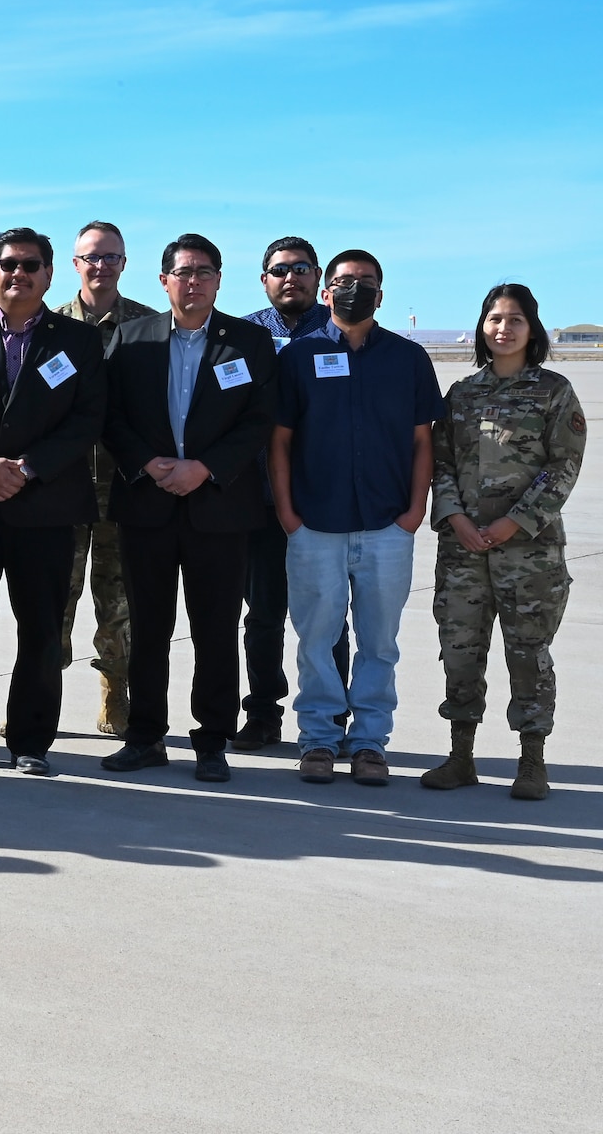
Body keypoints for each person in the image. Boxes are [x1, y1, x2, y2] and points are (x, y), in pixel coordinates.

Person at [97, 234, 278, 784]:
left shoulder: (248, 342)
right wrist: (148, 463)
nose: (193, 280)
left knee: (215, 628)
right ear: (163, 281)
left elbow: (258, 418)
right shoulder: (130, 340)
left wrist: (205, 467)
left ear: (219, 280)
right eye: (183, 271)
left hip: (218, 507)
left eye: (204, 271)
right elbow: (109, 414)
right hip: (146, 504)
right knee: (149, 627)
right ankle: (146, 736)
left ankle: (212, 740)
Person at [0, 228, 106, 776]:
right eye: (8, 264)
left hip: (45, 509)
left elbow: (88, 420)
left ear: (50, 275)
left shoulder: (79, 342)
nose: (19, 273)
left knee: (41, 630)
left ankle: (30, 740)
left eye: (31, 265)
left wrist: (26, 469)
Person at [270, 249, 442, 785]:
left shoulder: (407, 359)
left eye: (365, 282)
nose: (354, 289)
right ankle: (318, 739)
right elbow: (278, 441)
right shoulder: (298, 356)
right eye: (344, 281)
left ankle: (369, 741)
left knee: (379, 642)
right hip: (315, 525)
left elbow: (422, 441)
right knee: (316, 640)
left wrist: (414, 512)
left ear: (380, 294)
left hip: (388, 525)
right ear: (326, 293)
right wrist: (288, 515)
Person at [423, 284, 584, 800]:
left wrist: (515, 521)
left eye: (515, 320)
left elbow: (564, 465)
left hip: (529, 553)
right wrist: (455, 517)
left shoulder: (554, 391)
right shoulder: (462, 394)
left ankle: (532, 761)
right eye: (494, 318)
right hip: (464, 550)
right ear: (482, 327)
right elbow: (440, 463)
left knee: (529, 652)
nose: (503, 328)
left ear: (531, 329)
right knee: (460, 650)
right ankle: (461, 756)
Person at [235, 235, 349, 751]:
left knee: (329, 617)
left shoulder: (340, 334)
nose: (291, 277)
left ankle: (333, 715)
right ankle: (262, 712)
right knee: (262, 616)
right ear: (264, 279)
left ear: (318, 279)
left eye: (302, 268)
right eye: (280, 269)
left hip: (322, 504)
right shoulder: (243, 336)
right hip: (257, 504)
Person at [53, 220, 156, 736]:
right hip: (62, 488)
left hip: (124, 488)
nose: (100, 266)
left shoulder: (147, 326)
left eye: (110, 257)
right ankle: (39, 694)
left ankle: (116, 689)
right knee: (53, 596)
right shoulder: (49, 325)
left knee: (118, 600)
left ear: (123, 262)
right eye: (91, 257)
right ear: (75, 265)